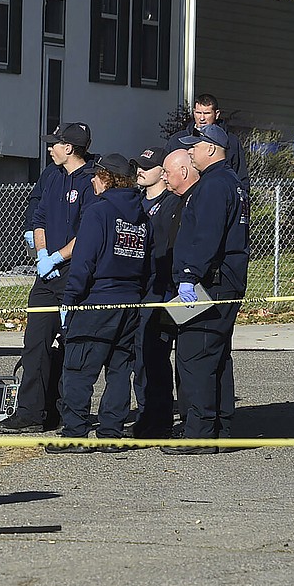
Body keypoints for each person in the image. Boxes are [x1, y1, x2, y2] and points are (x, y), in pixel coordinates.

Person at [47, 153, 151, 453]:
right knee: (119, 370)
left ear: (107, 178)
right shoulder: (142, 215)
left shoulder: (98, 212)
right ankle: (111, 432)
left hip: (97, 301)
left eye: (96, 175)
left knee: (78, 368)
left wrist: (70, 299)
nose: (92, 179)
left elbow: (83, 262)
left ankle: (76, 433)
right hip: (130, 302)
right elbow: (147, 263)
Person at [0, 122, 97, 433]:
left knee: (71, 345)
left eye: (55, 143)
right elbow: (38, 215)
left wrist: (59, 256)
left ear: (69, 148)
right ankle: (29, 412)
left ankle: (66, 413)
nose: (50, 148)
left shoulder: (92, 180)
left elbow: (88, 233)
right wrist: (42, 254)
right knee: (35, 342)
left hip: (75, 273)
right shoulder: (51, 174)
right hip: (46, 274)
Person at [165, 123, 249, 454]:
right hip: (224, 279)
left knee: (195, 355)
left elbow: (207, 235)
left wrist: (189, 273)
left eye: (194, 148)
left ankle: (199, 432)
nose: (190, 153)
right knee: (216, 355)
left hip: (209, 282)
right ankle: (220, 429)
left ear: (212, 149)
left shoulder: (214, 185)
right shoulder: (232, 182)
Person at [130, 146, 187, 438]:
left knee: (155, 355)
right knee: (139, 356)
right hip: (137, 288)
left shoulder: (172, 205)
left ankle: (161, 418)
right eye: (138, 165)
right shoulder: (135, 203)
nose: (140, 170)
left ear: (163, 174)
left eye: (147, 166)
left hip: (162, 289)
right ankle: (145, 413)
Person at [166, 93, 250, 193]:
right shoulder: (178, 139)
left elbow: (241, 177)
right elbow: (165, 172)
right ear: (193, 112)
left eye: (206, 113)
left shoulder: (231, 142)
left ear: (217, 114)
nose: (202, 118)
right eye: (198, 113)